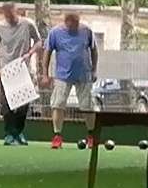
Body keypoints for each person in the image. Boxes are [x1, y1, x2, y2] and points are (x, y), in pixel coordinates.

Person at [42, 11, 103, 150]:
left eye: (76, 24)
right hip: (62, 75)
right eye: (71, 24)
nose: (74, 27)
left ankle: (91, 136)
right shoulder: (55, 33)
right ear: (66, 22)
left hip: (84, 74)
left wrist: (94, 70)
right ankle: (57, 135)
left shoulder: (87, 31)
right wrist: (45, 74)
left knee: (87, 105)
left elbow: (94, 50)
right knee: (58, 104)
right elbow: (47, 52)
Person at [0, 2, 40, 145]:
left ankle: (18, 132)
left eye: (12, 15)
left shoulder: (28, 24)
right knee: (7, 103)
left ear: (17, 12)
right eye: (7, 16)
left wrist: (30, 53)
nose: (10, 18)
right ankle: (9, 134)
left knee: (23, 103)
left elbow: (39, 42)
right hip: (6, 69)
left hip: (23, 68)